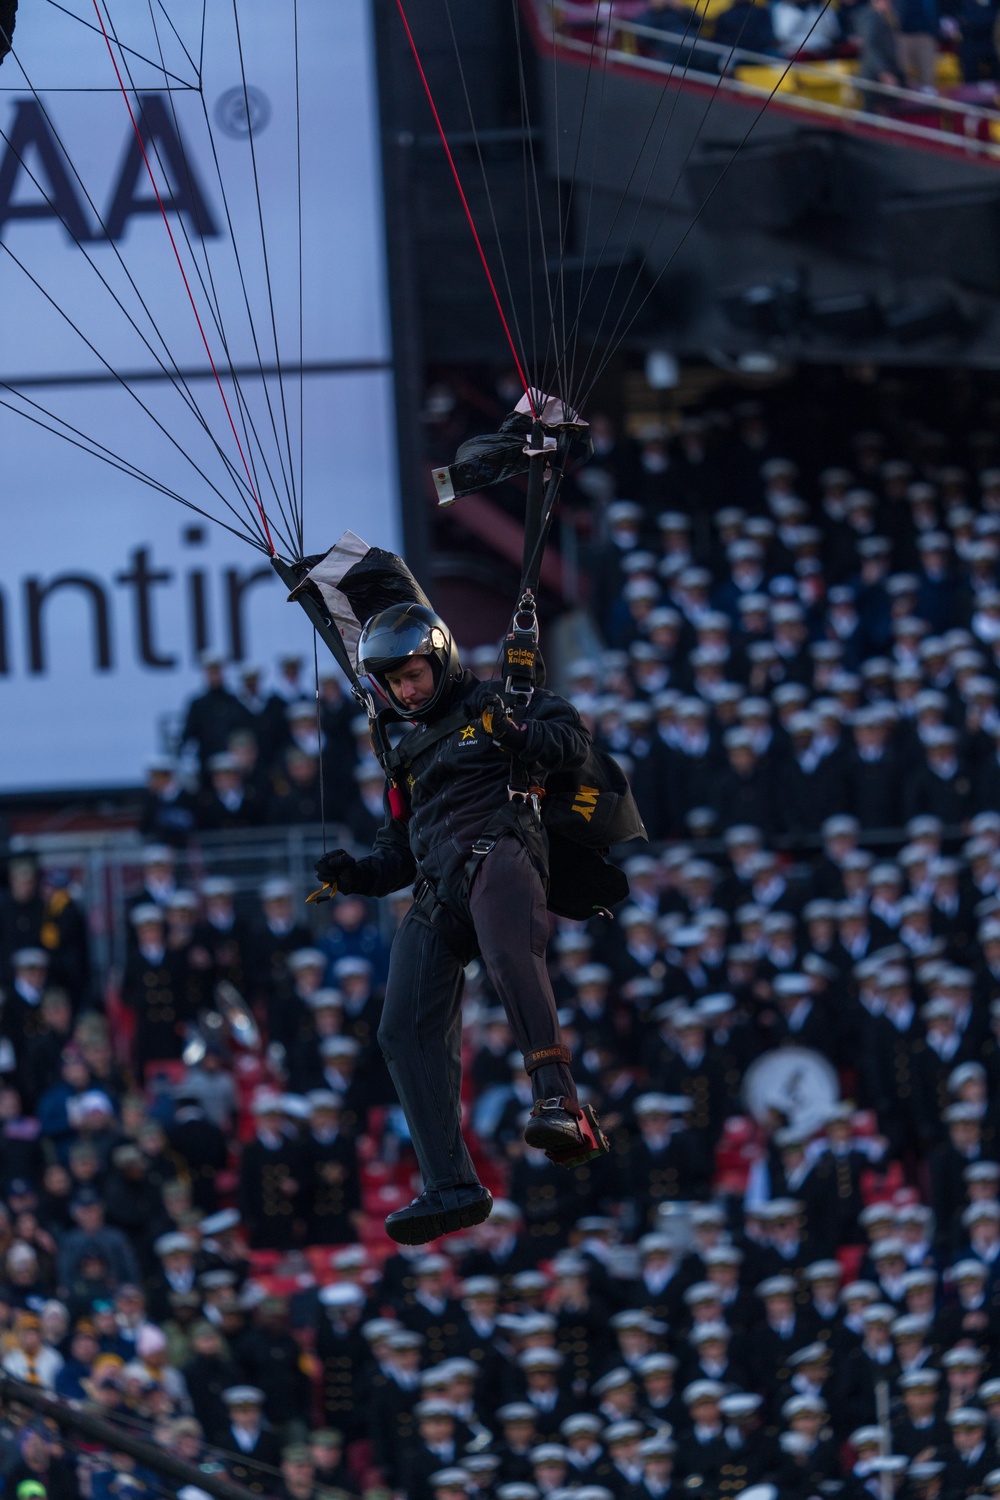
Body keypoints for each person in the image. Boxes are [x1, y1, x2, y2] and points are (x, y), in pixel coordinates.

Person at [313, 603, 610, 1245]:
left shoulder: (505, 699)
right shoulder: (404, 746)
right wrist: (357, 875)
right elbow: (399, 852)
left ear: (440, 659)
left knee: (509, 956)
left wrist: (515, 732)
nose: (406, 691)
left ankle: (559, 1103)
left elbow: (571, 745)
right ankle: (450, 1181)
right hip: (438, 884)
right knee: (399, 1027)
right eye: (393, 683)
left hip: (501, 850)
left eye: (414, 675)